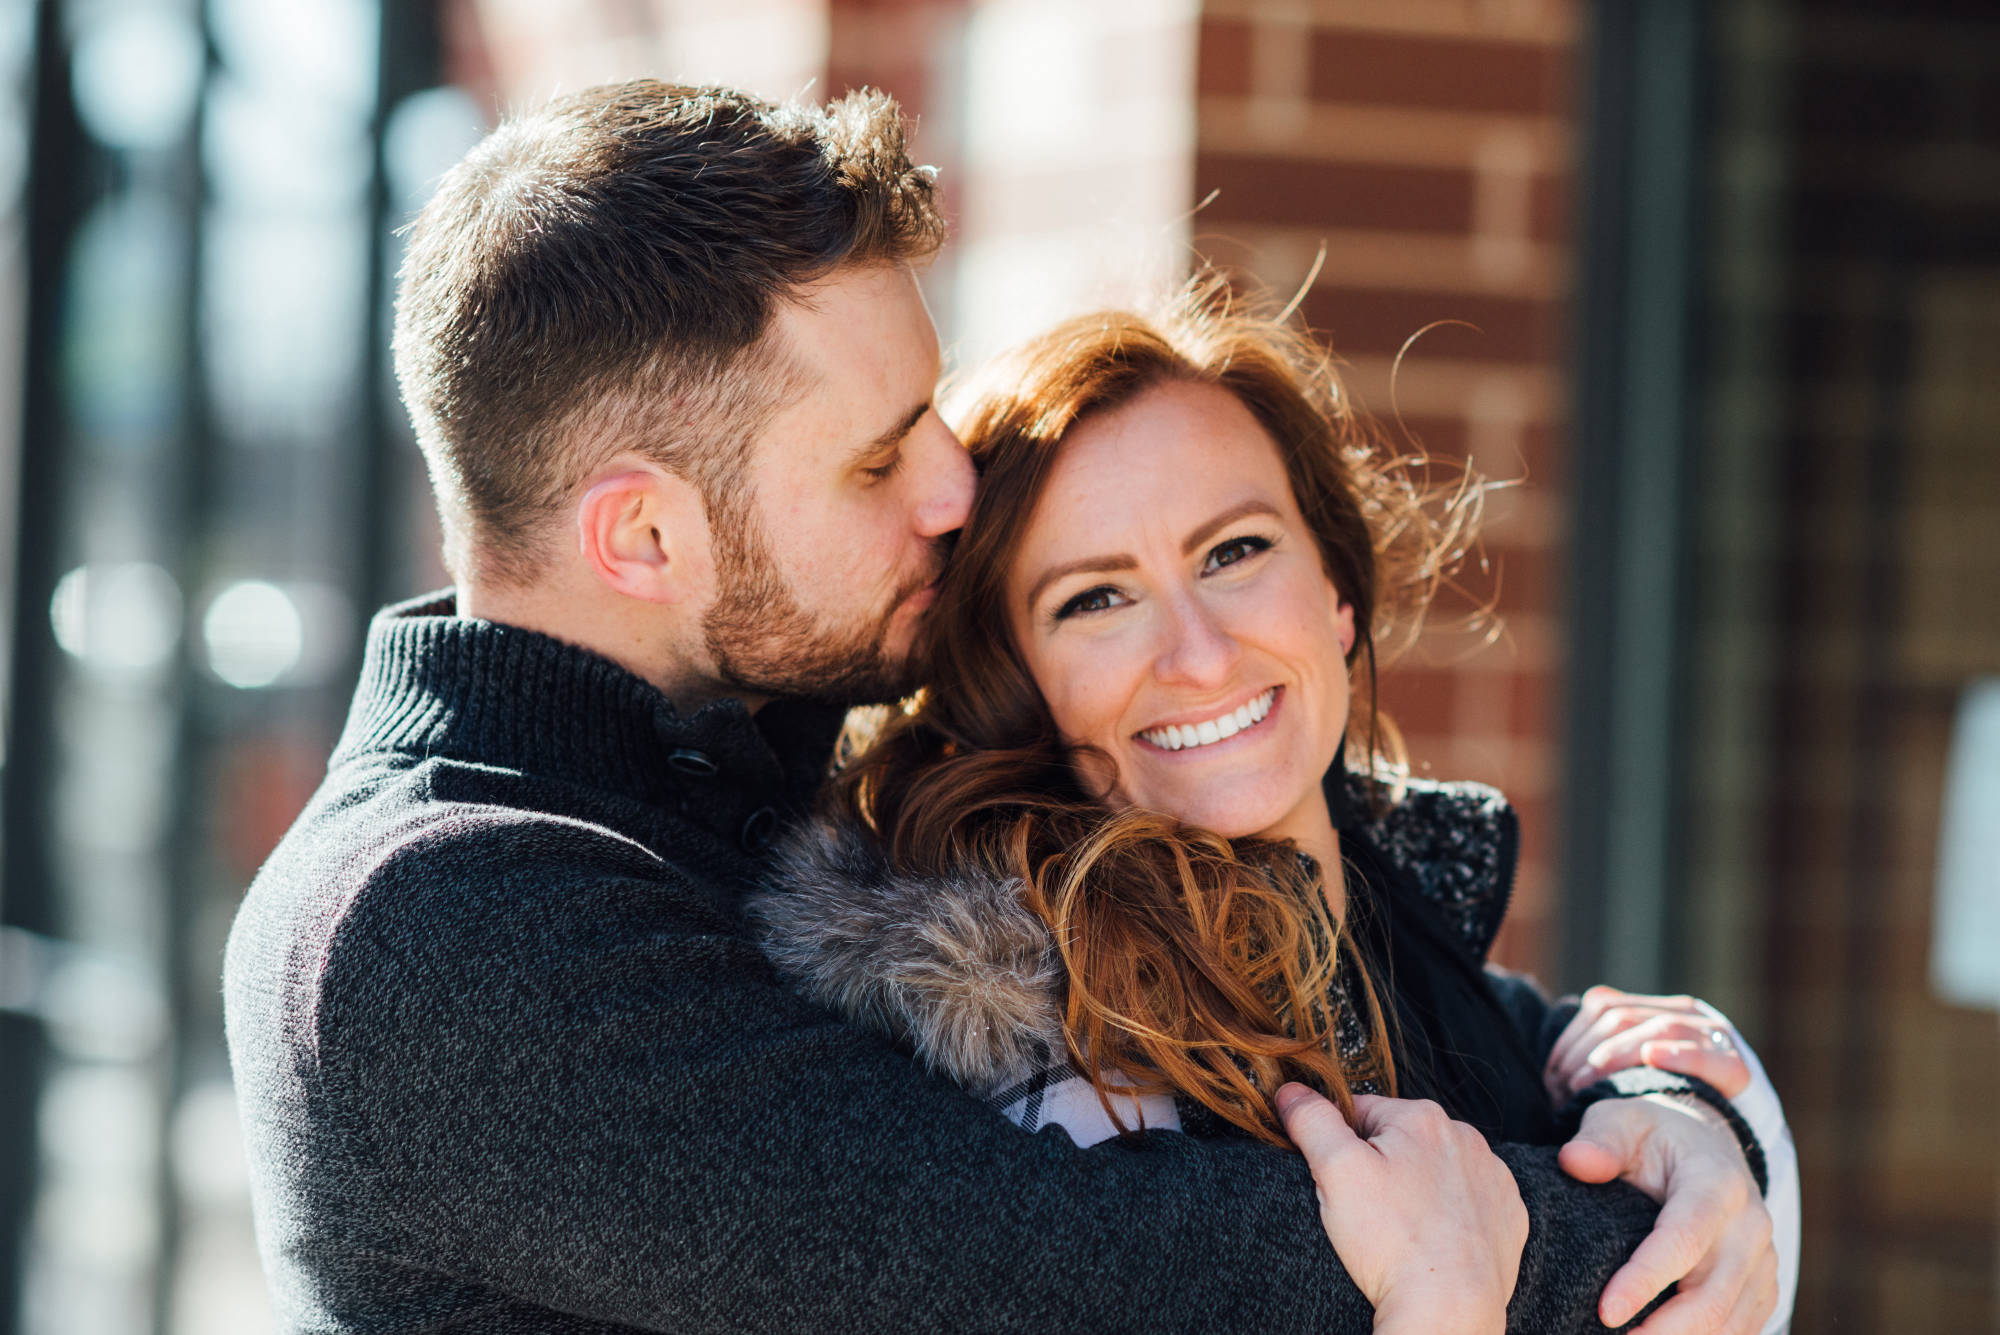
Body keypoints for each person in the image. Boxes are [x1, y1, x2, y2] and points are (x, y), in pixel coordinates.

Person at [224, 79, 1780, 1334]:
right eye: (881, 453)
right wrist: (1663, 1230)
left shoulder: (753, 760)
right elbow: (1075, 1264)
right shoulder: (441, 924)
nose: (954, 487)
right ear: (643, 535)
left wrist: (1683, 1105)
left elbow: (1451, 1002)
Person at [751, 291, 1796, 1334]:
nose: (1200, 655)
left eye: (1234, 552)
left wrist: (1698, 1115)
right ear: (1020, 692)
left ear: (1335, 595)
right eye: (1096, 599)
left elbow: (1642, 1091)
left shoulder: (1409, 934)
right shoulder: (1052, 1062)